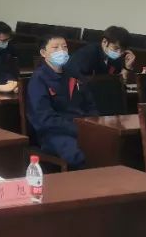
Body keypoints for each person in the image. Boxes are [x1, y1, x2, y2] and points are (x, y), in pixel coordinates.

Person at [26, 34, 98, 169]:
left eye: (64, 47)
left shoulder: (74, 73)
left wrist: (93, 125)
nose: (62, 51)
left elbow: (90, 104)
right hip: (54, 133)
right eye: (55, 48)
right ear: (43, 53)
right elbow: (44, 118)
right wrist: (77, 129)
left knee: (107, 146)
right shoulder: (39, 79)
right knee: (81, 155)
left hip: (82, 127)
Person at [66, 25, 136, 81]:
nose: (119, 53)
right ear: (104, 42)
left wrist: (127, 68)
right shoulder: (87, 55)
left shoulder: (116, 58)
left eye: (122, 50)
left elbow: (117, 83)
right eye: (116, 48)